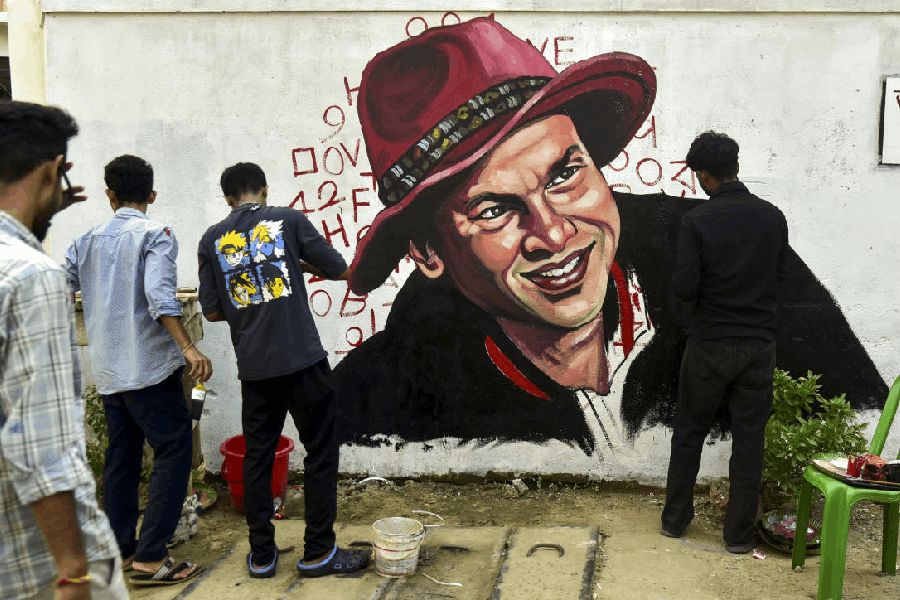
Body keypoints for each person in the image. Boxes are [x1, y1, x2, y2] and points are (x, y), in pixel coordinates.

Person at [334, 17, 887, 463]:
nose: (552, 233)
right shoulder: (375, 401)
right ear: (430, 253)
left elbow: (857, 428)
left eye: (564, 175)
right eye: (495, 209)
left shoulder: (724, 249)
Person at [197, 162, 369, 578]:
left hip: (255, 369)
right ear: (264, 190)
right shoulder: (288, 220)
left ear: (228, 199)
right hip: (303, 362)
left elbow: (214, 311)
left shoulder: (211, 239)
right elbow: (343, 270)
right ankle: (319, 553)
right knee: (321, 452)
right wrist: (301, 267)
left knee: (257, 458)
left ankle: (261, 556)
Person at [0, 101, 128, 600]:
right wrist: (73, 571)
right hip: (39, 563)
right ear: (55, 169)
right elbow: (37, 442)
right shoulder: (32, 276)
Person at [64, 154, 211, 585]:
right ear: (152, 194)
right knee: (173, 449)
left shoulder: (85, 241)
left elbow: (56, 286)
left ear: (109, 195)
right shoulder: (155, 234)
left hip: (109, 369)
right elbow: (160, 297)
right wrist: (188, 349)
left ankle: (122, 549)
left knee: (121, 458)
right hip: (147, 368)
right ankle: (150, 557)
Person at [660, 132, 787, 553]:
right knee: (750, 441)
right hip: (758, 346)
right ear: (735, 166)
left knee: (690, 433)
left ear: (702, 175)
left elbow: (685, 286)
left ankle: (675, 522)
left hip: (710, 343)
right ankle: (737, 538)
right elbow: (780, 280)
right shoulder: (773, 217)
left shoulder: (697, 222)